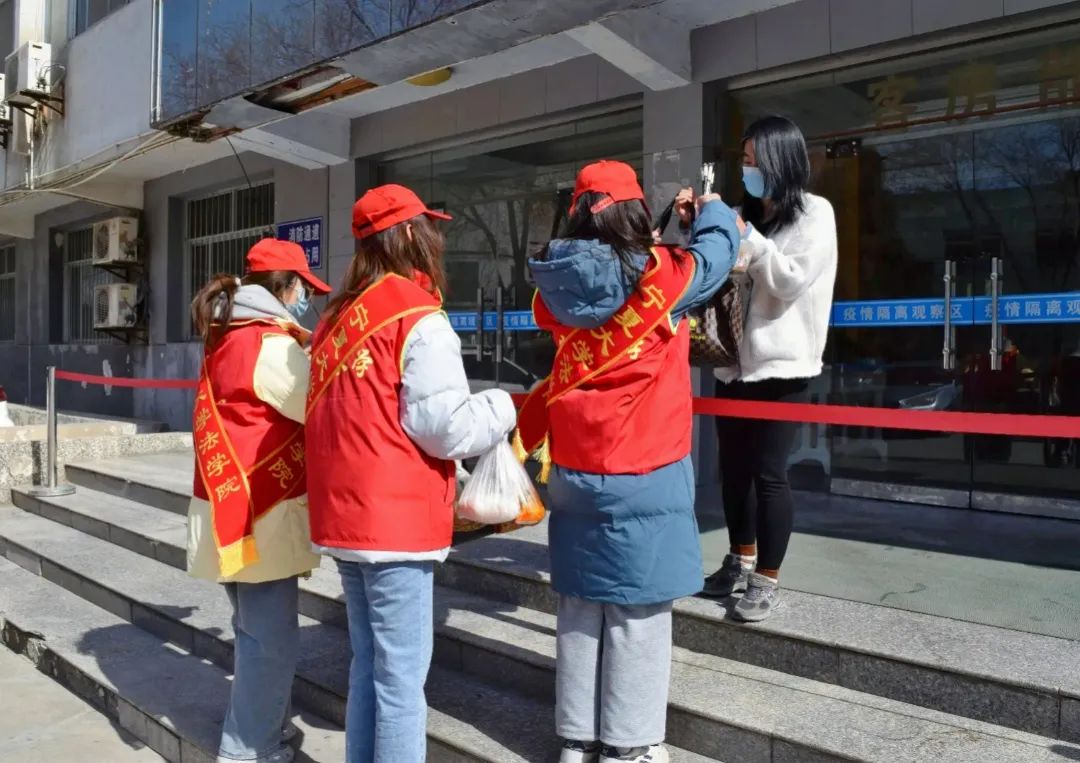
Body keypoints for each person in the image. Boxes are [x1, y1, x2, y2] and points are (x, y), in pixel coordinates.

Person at [518, 160, 744, 763]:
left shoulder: (555, 287)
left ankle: (576, 740)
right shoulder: (663, 276)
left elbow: (603, 280)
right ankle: (629, 746)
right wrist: (711, 212)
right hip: (646, 468)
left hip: (573, 470)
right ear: (636, 214)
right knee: (636, 612)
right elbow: (717, 255)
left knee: (580, 605)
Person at [304, 184, 517, 763]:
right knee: (400, 683)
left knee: (368, 666)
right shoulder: (416, 316)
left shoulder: (335, 318)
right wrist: (501, 407)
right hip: (394, 524)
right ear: (406, 235)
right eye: (429, 226)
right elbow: (444, 428)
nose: (437, 237)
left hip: (343, 518)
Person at [187, 238, 332, 763]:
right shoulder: (270, 345)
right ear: (285, 287)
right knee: (268, 641)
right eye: (301, 289)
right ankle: (247, 748)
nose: (304, 300)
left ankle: (266, 726)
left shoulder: (227, 334)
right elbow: (319, 405)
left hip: (227, 507)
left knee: (252, 630)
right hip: (259, 514)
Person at [702, 115, 838, 622]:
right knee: (733, 471)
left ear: (781, 160)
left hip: (784, 368)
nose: (747, 169)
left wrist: (749, 240)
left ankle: (766, 577)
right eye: (744, 160)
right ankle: (739, 558)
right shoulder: (744, 212)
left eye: (754, 160)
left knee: (769, 473)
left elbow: (790, 280)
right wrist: (701, 224)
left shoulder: (815, 214)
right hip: (733, 364)